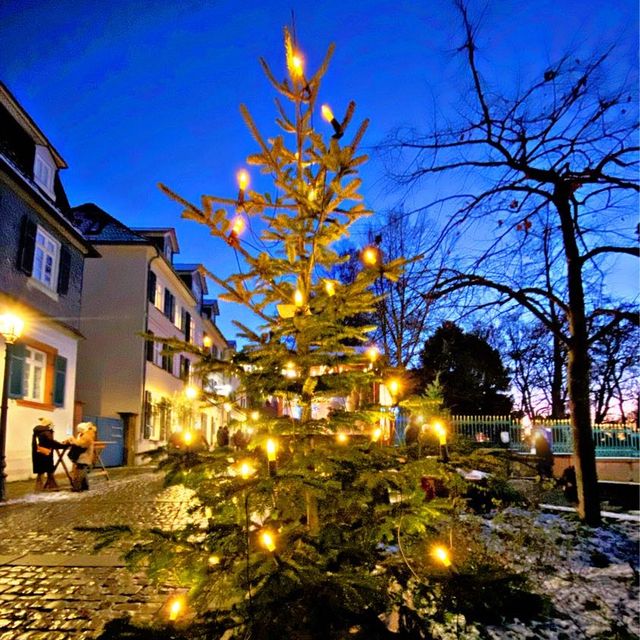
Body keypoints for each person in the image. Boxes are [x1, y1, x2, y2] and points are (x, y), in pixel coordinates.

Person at [32, 417, 65, 491]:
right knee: (49, 470)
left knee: (41, 473)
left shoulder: (37, 431)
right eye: (51, 425)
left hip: (38, 454)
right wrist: (62, 445)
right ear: (49, 424)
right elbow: (51, 442)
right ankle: (51, 487)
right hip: (46, 455)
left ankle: (43, 487)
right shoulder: (47, 432)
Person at [65, 422, 96, 491]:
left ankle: (77, 487)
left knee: (80, 471)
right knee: (82, 470)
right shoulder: (84, 434)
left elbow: (81, 444)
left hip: (84, 455)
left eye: (78, 429)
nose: (77, 430)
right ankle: (85, 486)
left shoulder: (87, 435)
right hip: (83, 455)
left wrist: (72, 440)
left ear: (81, 429)